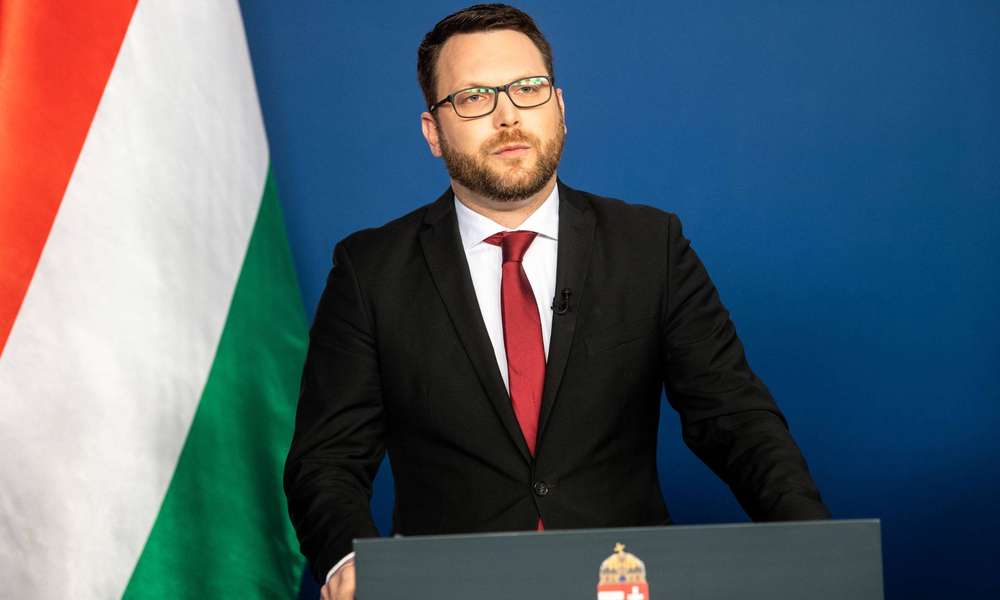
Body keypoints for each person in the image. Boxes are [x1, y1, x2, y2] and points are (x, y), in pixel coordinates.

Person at [283, 4, 830, 599]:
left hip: (622, 584)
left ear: (560, 108)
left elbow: (735, 420)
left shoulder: (651, 246)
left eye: (528, 88)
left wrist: (814, 546)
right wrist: (347, 560)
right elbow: (327, 461)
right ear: (433, 132)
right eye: (473, 98)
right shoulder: (369, 271)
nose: (508, 115)